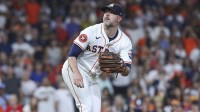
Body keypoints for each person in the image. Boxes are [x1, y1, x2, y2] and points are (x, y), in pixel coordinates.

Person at [62, 3, 132, 112]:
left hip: (93, 77)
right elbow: (71, 55)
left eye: (112, 13)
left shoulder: (124, 41)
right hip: (75, 69)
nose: (107, 14)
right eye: (106, 11)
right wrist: (76, 73)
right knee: (86, 106)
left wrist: (121, 67)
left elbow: (127, 70)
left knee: (95, 110)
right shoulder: (90, 31)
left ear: (119, 18)